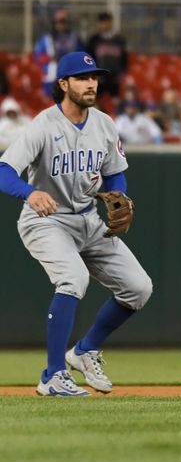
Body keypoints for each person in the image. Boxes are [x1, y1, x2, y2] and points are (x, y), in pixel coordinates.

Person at [0, 51, 153, 396]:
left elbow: (115, 174)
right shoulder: (43, 124)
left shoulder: (104, 123)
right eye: (83, 78)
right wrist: (28, 193)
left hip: (88, 219)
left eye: (94, 77)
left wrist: (118, 198)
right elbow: (4, 170)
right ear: (63, 84)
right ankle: (52, 375)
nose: (91, 83)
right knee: (73, 278)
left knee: (139, 288)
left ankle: (84, 352)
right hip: (46, 220)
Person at [33, 9, 85, 97]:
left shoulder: (74, 39)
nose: (61, 24)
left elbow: (82, 56)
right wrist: (50, 58)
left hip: (70, 75)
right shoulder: (46, 39)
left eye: (64, 21)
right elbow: (37, 57)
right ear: (54, 23)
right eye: (59, 22)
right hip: (52, 77)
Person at [86, 12, 128, 101]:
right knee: (95, 102)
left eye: (106, 21)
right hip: (99, 77)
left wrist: (121, 73)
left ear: (110, 22)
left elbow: (124, 58)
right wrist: (94, 73)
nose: (104, 24)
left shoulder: (119, 40)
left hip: (114, 78)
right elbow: (89, 58)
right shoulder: (94, 40)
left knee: (115, 101)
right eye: (102, 22)